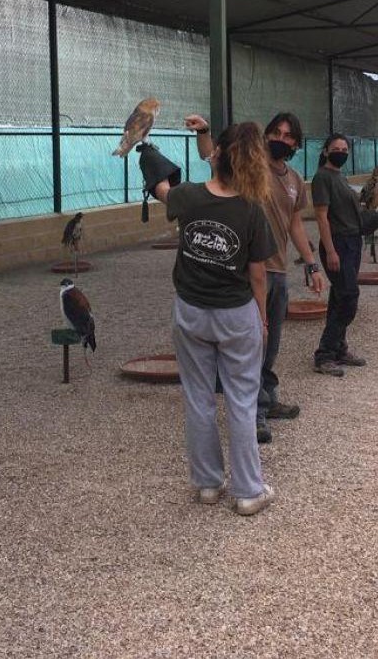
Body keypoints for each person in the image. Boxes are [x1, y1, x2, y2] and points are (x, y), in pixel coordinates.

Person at [139, 122, 277, 516]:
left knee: (198, 398)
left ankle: (208, 485)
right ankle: (249, 491)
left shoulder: (188, 197)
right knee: (241, 401)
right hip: (236, 315)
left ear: (216, 155)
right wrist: (262, 318)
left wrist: (147, 151)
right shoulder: (251, 209)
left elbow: (161, 189)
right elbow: (258, 274)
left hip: (191, 312)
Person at [189, 112, 325, 443]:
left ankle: (266, 397)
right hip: (249, 270)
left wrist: (312, 264)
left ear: (296, 143)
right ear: (265, 136)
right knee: (252, 346)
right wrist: (204, 131)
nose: (280, 139)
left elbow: (295, 224)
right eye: (275, 132)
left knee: (270, 343)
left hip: (278, 271)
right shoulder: (251, 167)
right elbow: (212, 157)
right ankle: (253, 414)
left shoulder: (295, 180)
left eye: (288, 135)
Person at [311, 133, 378, 377]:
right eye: (336, 148)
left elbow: (354, 216)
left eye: (344, 149)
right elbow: (322, 217)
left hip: (352, 242)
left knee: (339, 296)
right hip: (337, 243)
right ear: (326, 151)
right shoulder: (322, 177)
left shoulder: (341, 177)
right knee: (349, 297)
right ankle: (324, 354)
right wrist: (330, 251)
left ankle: (338, 349)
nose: (341, 152)